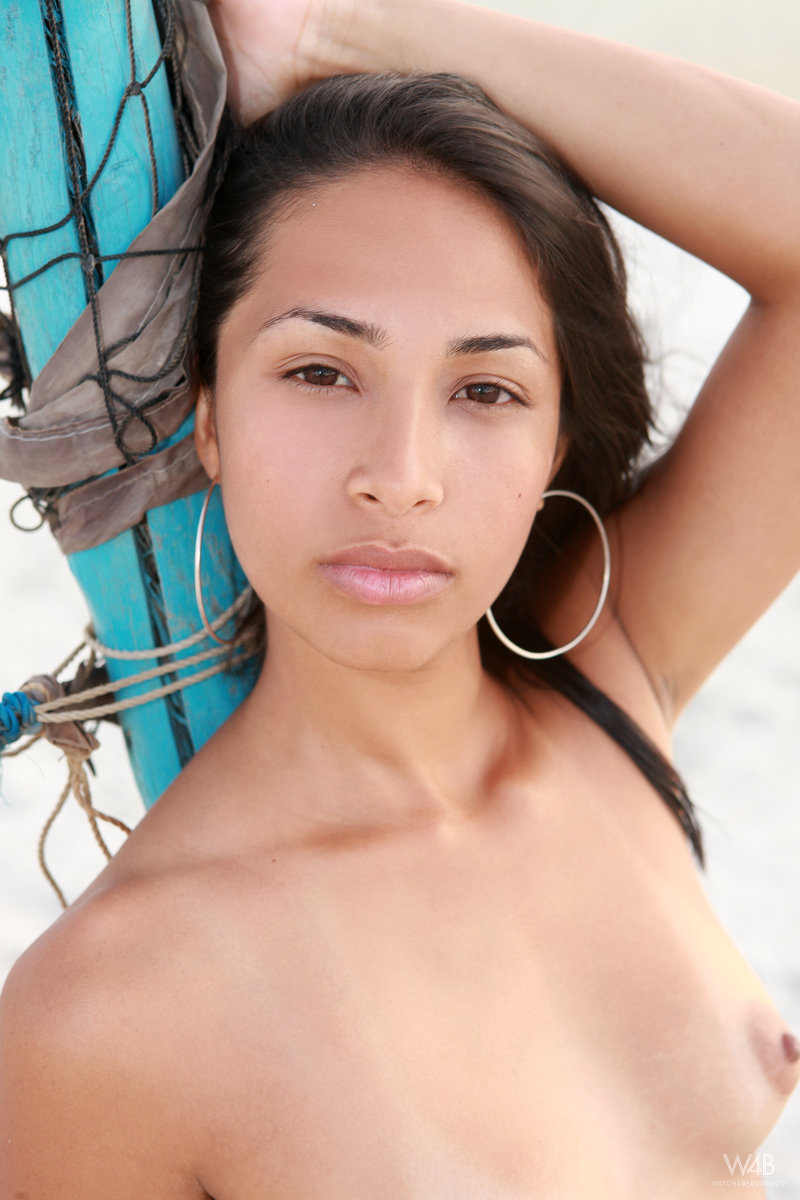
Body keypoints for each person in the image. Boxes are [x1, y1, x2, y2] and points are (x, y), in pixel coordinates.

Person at [1, 0, 799, 1194]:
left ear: (553, 445)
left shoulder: (602, 694)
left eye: (485, 391)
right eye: (321, 371)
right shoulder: (105, 1011)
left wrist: (331, 36)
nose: (400, 478)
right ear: (208, 417)